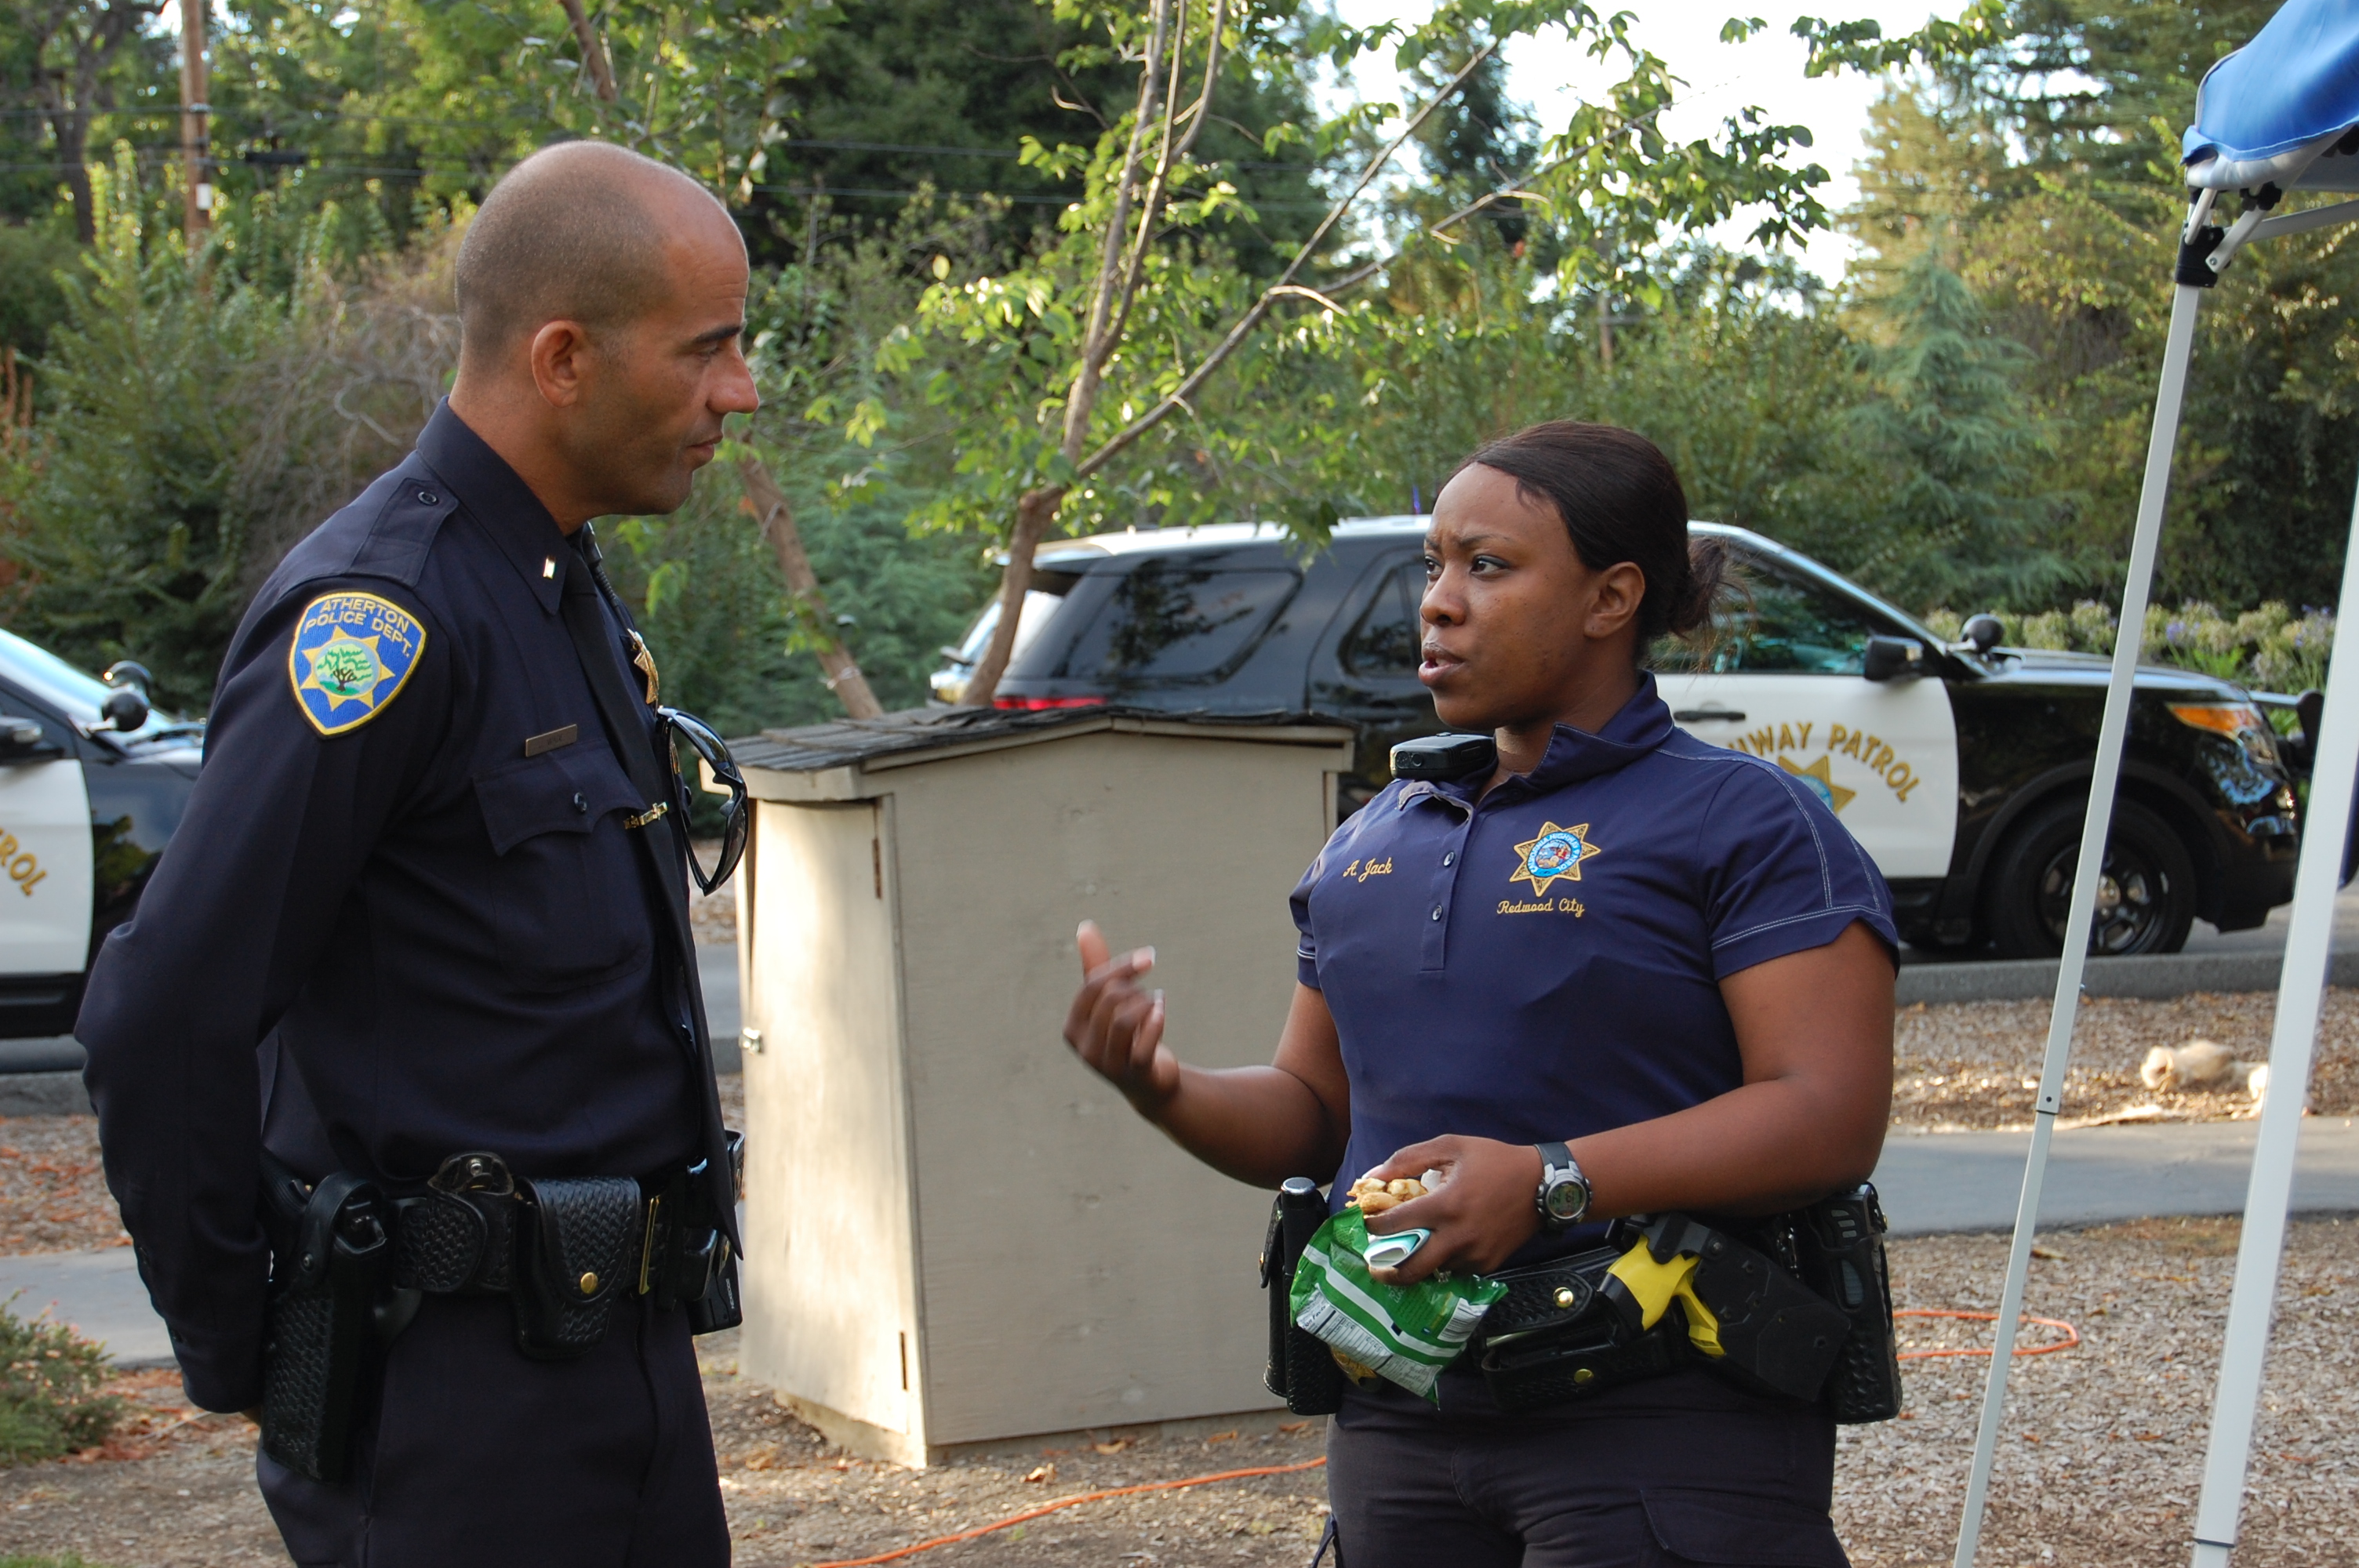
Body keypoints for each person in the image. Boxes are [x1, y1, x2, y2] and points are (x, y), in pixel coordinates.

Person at [76, 140, 760, 1567]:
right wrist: (248, 1347)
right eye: (708, 352)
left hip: (621, 1374)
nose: (737, 394)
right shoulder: (382, 621)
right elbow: (165, 1010)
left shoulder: (557, 588)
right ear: (563, 356)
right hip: (451, 1417)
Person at [1063, 421, 1894, 1567]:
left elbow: (1826, 1114)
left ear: (1613, 597)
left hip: (1667, 1429)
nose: (1439, 604)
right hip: (1401, 1425)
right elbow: (1313, 1114)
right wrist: (1159, 1084)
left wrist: (1554, 1181)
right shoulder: (1370, 844)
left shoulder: (1745, 822)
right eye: (1435, 566)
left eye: (1487, 566)